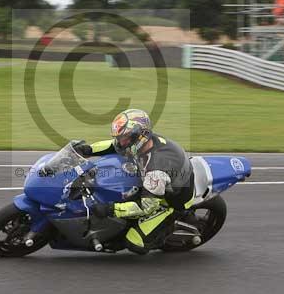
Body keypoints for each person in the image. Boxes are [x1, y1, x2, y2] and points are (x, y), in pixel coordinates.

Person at [72, 108, 195, 254]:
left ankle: (166, 230)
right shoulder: (144, 143)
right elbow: (113, 146)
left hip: (170, 200)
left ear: (139, 137)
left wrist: (111, 209)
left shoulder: (155, 170)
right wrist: (87, 150)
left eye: (123, 139)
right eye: (119, 138)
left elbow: (147, 207)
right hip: (157, 182)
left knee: (134, 242)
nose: (119, 142)